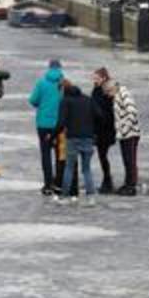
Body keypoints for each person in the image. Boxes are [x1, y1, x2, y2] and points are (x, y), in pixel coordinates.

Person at [55, 82, 101, 206]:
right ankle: (91, 197)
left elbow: (61, 122)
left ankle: (64, 197)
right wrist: (93, 129)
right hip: (88, 138)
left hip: (72, 138)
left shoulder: (66, 101)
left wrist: (53, 135)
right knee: (86, 169)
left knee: (69, 167)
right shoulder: (88, 100)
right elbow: (99, 115)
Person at [28, 60, 65, 195]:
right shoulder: (64, 84)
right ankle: (58, 183)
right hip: (59, 125)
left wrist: (42, 105)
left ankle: (48, 184)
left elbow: (33, 100)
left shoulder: (41, 82)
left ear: (49, 68)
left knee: (45, 154)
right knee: (60, 154)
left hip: (43, 124)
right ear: (60, 68)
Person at [107, 79, 142, 196]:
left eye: (109, 91)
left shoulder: (124, 94)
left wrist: (125, 130)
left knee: (130, 160)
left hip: (130, 134)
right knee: (127, 160)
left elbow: (132, 112)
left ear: (114, 87)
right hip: (124, 134)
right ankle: (128, 183)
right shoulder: (118, 95)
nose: (108, 94)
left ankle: (131, 185)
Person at [91, 68, 117, 194]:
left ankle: (107, 180)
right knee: (102, 155)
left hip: (105, 129)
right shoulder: (97, 90)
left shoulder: (105, 91)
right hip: (101, 128)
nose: (94, 80)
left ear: (103, 78)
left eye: (96, 78)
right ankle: (107, 180)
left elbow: (104, 110)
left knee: (103, 155)